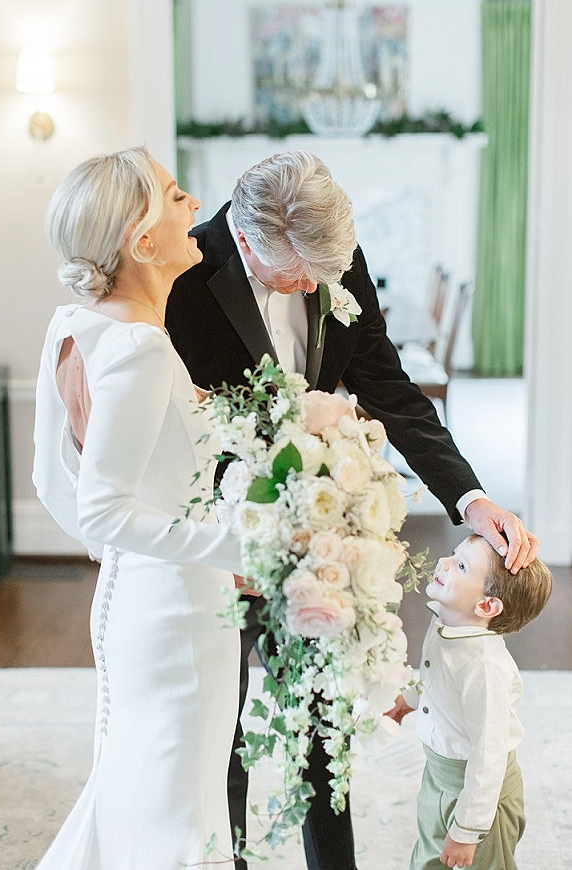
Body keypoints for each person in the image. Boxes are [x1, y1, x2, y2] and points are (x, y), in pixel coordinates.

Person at [165, 149, 539, 870]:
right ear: (246, 239)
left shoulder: (336, 261)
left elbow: (390, 388)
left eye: (322, 276)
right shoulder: (183, 275)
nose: (311, 287)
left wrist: (469, 495)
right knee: (220, 731)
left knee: (320, 725)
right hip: (217, 541)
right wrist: (220, 536)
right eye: (296, 276)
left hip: (320, 542)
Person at [32, 147, 243, 869]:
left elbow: (51, 478)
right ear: (142, 241)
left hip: (141, 597)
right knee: (177, 817)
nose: (195, 208)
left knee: (141, 794)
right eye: (177, 196)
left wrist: (122, 553)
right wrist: (236, 548)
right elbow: (103, 508)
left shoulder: (78, 326)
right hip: (178, 616)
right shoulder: (141, 350)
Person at [386, 534, 553, 869]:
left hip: (480, 794)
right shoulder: (445, 625)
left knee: (482, 863)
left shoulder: (485, 668)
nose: (443, 563)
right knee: (430, 855)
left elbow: (488, 756)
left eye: (460, 565)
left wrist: (468, 829)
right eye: (452, 554)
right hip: (439, 773)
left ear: (487, 606)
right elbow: (434, 676)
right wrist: (407, 700)